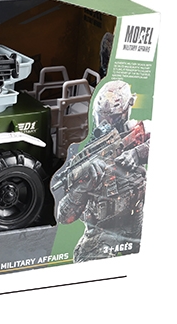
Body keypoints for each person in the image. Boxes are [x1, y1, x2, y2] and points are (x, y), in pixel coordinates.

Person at [55, 80, 149, 262]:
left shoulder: (137, 133)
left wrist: (137, 154)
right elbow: (64, 217)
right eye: (102, 116)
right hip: (103, 232)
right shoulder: (84, 157)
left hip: (138, 222)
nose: (107, 123)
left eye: (113, 117)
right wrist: (83, 186)